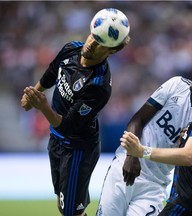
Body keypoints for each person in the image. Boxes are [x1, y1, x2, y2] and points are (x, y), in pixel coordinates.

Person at [96, 53, 192, 216]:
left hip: (155, 185)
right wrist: (131, 156)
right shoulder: (176, 85)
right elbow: (137, 120)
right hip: (125, 167)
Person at [20, 8, 130, 216]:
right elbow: (52, 72)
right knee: (65, 206)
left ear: (112, 51)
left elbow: (68, 126)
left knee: (71, 212)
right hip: (56, 140)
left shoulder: (98, 86)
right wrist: (34, 92)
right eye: (93, 36)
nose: (91, 44)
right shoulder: (71, 49)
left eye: (100, 44)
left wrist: (42, 105)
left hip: (78, 148)